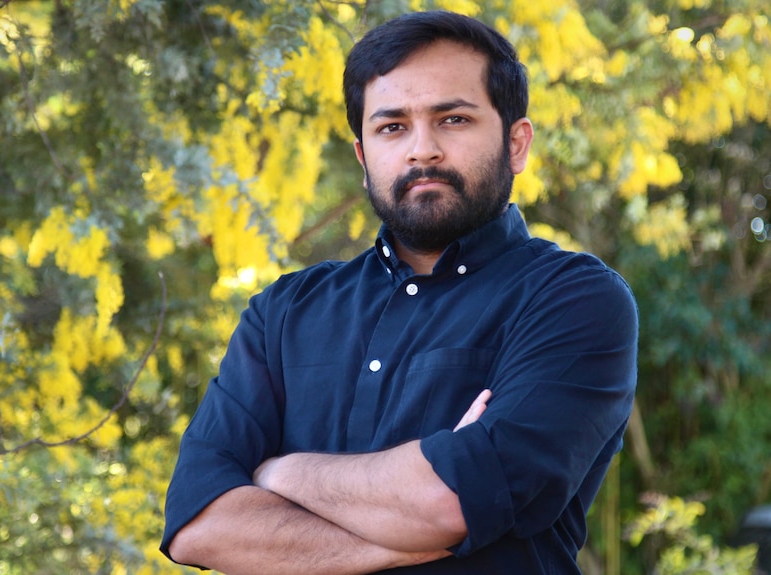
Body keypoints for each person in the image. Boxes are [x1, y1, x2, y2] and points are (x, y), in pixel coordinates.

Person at [161, 10, 638, 575]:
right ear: (363, 158)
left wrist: (279, 473)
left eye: (453, 119)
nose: (422, 151)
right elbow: (200, 525)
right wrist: (421, 515)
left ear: (516, 143)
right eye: (392, 127)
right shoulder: (283, 314)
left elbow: (447, 504)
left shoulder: (573, 300)